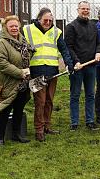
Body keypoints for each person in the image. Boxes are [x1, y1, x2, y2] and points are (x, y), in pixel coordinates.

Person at [23, 8, 74, 142]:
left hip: (52, 72)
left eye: (50, 20)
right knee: (40, 101)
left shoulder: (56, 32)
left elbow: (64, 50)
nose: (48, 22)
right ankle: (39, 129)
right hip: (36, 72)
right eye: (45, 20)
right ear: (39, 19)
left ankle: (47, 126)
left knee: (49, 101)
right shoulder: (27, 30)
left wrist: (69, 63)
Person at [0, 15, 33, 147]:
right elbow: (2, 63)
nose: (14, 28)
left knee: (19, 109)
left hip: (22, 82)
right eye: (11, 26)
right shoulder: (1, 43)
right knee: (5, 109)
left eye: (16, 26)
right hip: (8, 82)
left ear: (19, 26)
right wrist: (20, 72)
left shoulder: (23, 41)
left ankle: (16, 134)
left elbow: (27, 54)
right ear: (6, 28)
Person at [65, 1, 100, 131]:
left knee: (90, 94)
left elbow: (99, 42)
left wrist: (98, 52)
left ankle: (90, 121)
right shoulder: (71, 27)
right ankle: (74, 123)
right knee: (75, 94)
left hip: (91, 65)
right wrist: (75, 61)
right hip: (78, 67)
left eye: (87, 9)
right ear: (78, 10)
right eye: (83, 9)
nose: (85, 11)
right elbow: (68, 47)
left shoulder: (94, 26)